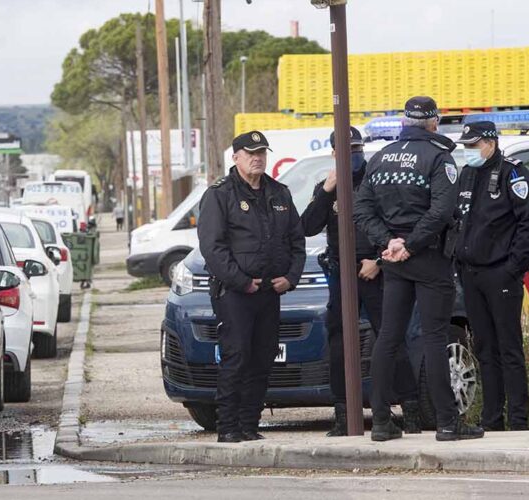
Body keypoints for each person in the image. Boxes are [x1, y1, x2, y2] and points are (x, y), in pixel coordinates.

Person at [354, 96, 485, 442]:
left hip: (394, 261)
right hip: (427, 258)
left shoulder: (380, 157)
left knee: (388, 337)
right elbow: (442, 211)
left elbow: (361, 208)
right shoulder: (440, 157)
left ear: (404, 122)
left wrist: (389, 243)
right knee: (434, 337)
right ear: (433, 122)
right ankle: (446, 422)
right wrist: (409, 245)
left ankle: (381, 421)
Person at [301, 127, 422, 437]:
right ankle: (343, 414)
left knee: (390, 339)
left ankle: (410, 411)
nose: (354, 154)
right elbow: (307, 226)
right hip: (342, 272)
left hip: (376, 270)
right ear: (333, 153)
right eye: (347, 149)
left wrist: (379, 262)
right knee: (339, 342)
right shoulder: (328, 187)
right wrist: (326, 192)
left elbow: (399, 227)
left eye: (357, 148)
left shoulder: (378, 181)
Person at [198, 130, 307, 443]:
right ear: (236, 158)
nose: (257, 158)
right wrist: (242, 281)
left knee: (262, 357)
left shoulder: (279, 193)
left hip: (270, 292)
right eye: (250, 153)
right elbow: (212, 248)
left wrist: (291, 277)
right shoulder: (220, 195)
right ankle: (228, 426)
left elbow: (296, 241)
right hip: (235, 293)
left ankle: (249, 423)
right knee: (237, 356)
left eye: (261, 153)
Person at [453, 121, 529, 431]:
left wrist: (513, 268)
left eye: (473, 145)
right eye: (466, 146)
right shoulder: (466, 174)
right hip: (471, 274)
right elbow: (457, 220)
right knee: (485, 349)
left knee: (509, 348)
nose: (469, 151)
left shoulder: (513, 173)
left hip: (500, 274)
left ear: (490, 142)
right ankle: (491, 419)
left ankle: (518, 420)